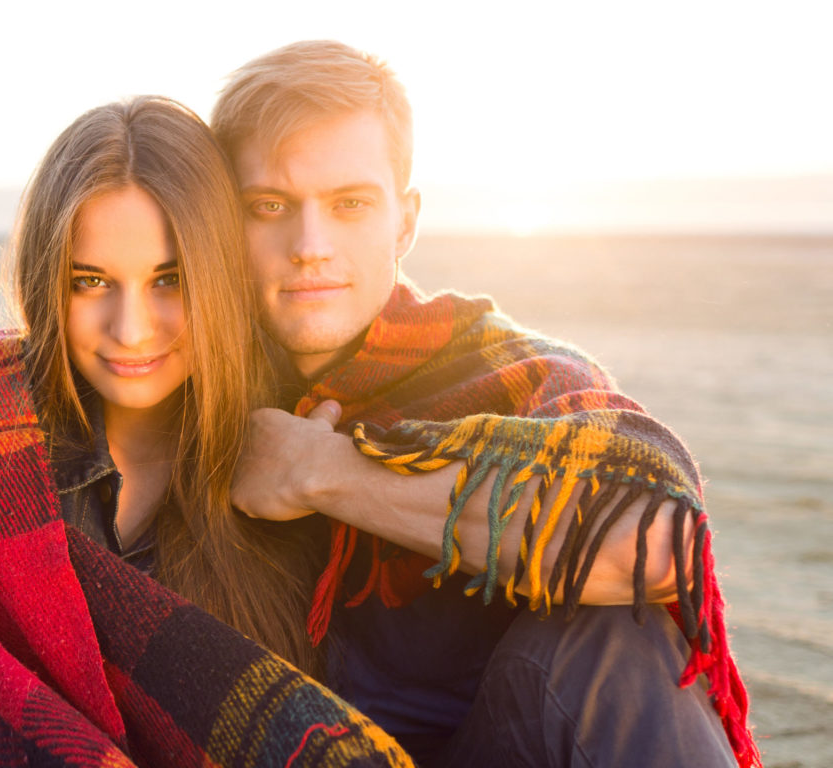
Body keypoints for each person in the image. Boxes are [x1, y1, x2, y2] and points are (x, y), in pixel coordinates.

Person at [0, 96, 412, 767]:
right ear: (46, 278)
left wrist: (329, 475)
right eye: (91, 282)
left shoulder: (299, 434)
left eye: (169, 279)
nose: (131, 329)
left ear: (221, 273)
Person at [216, 41, 759, 767]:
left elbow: (656, 543)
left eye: (350, 204)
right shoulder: (191, 385)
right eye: (270, 206)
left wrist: (329, 472)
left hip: (495, 747)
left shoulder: (508, 370)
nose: (310, 245)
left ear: (404, 223)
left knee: (616, 637)